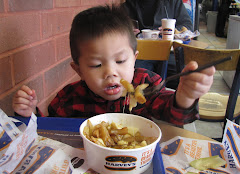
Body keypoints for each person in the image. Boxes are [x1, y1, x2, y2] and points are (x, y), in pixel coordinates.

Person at [12, 5, 215, 127]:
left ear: (135, 59)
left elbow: (174, 115)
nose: (111, 72)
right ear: (79, 70)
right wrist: (28, 114)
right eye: (96, 64)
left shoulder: (147, 84)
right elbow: (49, 131)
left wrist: (185, 96)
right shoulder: (68, 99)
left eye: (120, 61)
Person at [121, 0, 194, 89]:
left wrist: (171, 29)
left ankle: (174, 101)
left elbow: (187, 26)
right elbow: (118, 29)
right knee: (136, 77)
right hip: (141, 53)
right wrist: (127, 31)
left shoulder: (173, 2)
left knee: (184, 77)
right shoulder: (127, 5)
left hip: (170, 52)